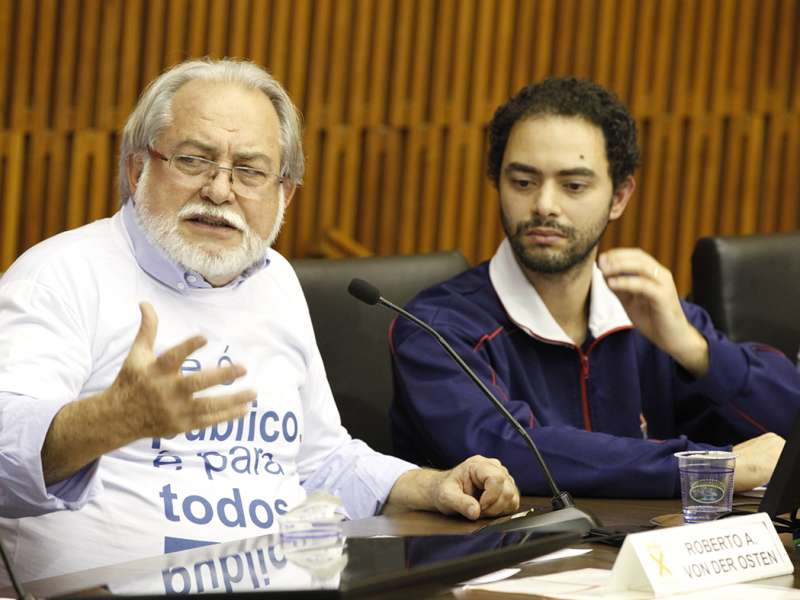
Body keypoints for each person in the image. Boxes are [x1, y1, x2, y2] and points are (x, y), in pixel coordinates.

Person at [0, 59, 519, 582]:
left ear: (283, 194)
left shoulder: (276, 281)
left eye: (249, 171)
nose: (219, 190)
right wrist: (111, 419)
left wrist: (431, 485)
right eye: (193, 160)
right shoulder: (62, 274)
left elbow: (319, 462)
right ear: (138, 170)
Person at [390, 77, 800, 499]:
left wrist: (696, 351)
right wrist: (707, 467)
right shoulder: (437, 327)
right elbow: (511, 451)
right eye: (523, 182)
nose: (545, 205)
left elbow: (788, 429)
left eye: (573, 186)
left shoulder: (647, 314)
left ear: (619, 196)